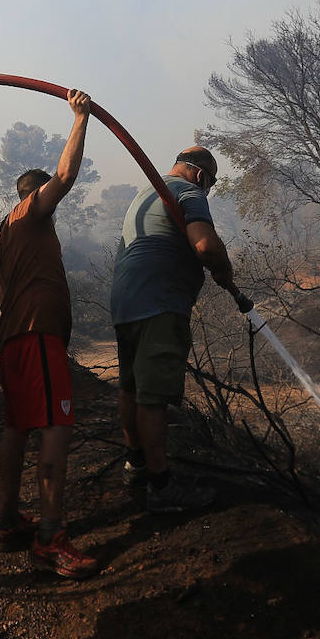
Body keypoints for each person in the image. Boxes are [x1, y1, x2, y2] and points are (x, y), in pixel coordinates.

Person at [0, 88, 100, 579]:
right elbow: (67, 176)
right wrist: (80, 119)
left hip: (15, 338)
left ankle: (8, 522)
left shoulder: (6, 234)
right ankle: (50, 537)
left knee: (17, 427)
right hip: (36, 337)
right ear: (34, 196)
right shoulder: (32, 214)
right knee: (56, 428)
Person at [110, 146, 250, 512]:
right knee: (152, 396)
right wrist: (224, 269)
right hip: (160, 303)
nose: (209, 191)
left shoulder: (146, 193)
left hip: (126, 303)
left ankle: (136, 463)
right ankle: (161, 485)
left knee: (130, 386)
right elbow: (205, 245)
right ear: (202, 176)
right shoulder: (189, 192)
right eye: (212, 185)